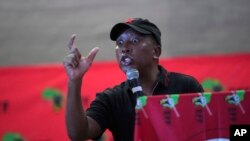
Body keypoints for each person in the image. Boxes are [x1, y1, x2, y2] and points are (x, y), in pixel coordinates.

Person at [63, 18, 204, 141]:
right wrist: (74, 81)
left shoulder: (186, 87)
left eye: (134, 40)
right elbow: (78, 134)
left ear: (156, 51)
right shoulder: (112, 98)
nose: (124, 48)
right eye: (120, 42)